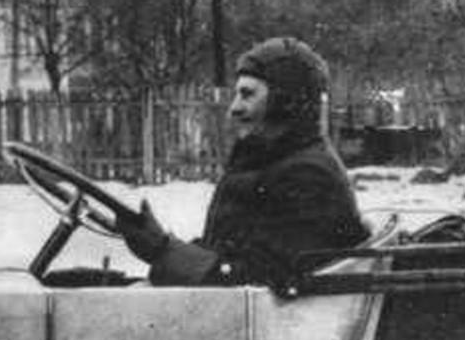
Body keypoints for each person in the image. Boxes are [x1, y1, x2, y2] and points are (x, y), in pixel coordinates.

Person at [116, 37, 368, 286]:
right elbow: (228, 253)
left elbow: (258, 279)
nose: (233, 108)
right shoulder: (270, 162)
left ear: (285, 102)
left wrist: (163, 251)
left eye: (247, 95)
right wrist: (164, 248)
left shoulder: (308, 175)